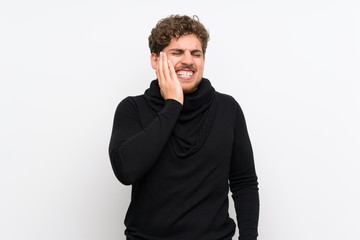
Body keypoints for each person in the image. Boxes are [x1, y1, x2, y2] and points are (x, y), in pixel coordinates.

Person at [109, 15, 259, 240]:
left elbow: (244, 182)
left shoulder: (228, 109)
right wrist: (172, 105)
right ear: (154, 60)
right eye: (177, 52)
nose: (188, 61)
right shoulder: (132, 109)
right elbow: (126, 171)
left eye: (196, 53)